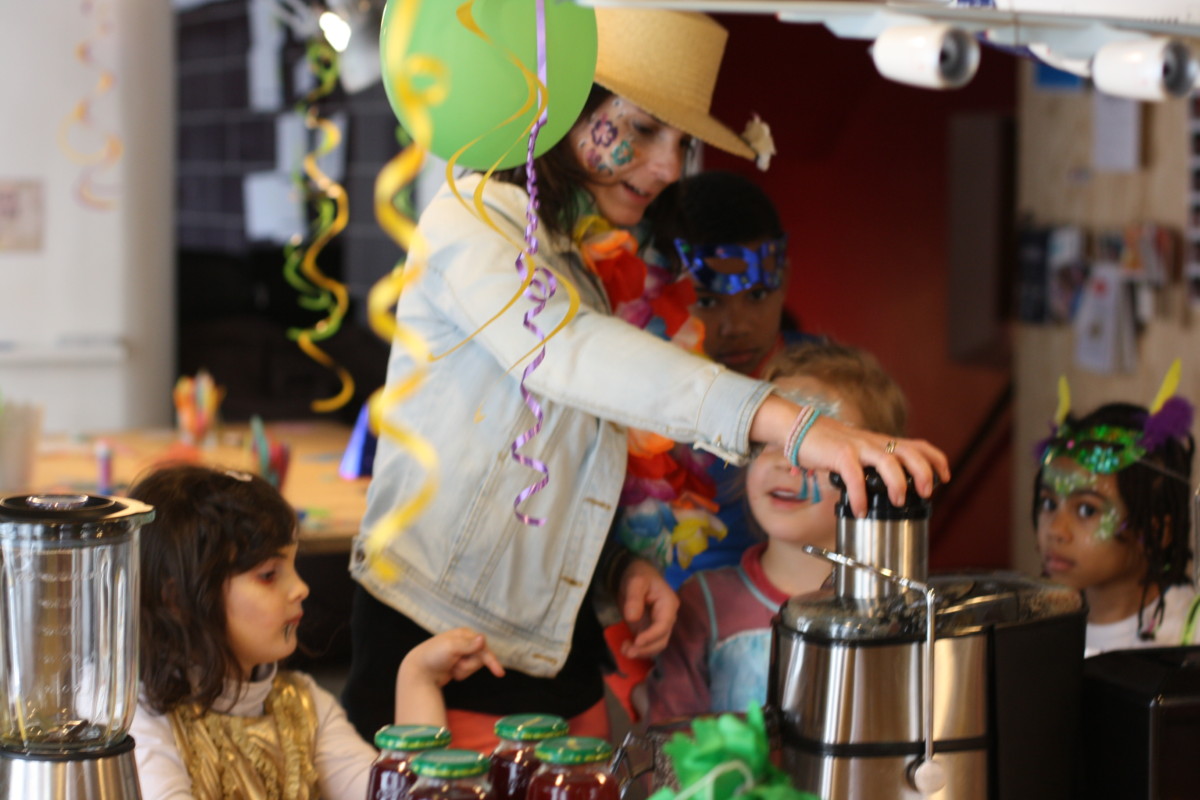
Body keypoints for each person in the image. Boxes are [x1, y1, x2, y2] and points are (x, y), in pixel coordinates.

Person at [342, 7, 949, 752]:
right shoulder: (471, 220)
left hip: (551, 653)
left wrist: (613, 572)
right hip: (437, 643)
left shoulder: (573, 253)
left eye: (682, 142)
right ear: (561, 109)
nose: (668, 168)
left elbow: (546, 469)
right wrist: (792, 424)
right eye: (644, 129)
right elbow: (567, 352)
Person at [126, 464, 503, 799]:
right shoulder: (142, 726)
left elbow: (394, 795)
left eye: (294, 566)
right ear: (178, 601)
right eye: (269, 575)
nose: (301, 588)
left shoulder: (304, 705)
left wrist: (418, 678)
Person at [644, 341, 908, 721]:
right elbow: (669, 742)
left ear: (877, 473)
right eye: (767, 442)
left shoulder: (901, 607)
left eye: (814, 448)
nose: (786, 463)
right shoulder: (703, 603)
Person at [1032, 382, 1197, 657]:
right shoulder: (1036, 629)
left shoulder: (1191, 633)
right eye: (1049, 503)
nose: (1055, 530)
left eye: (1087, 510)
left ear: (1156, 530)